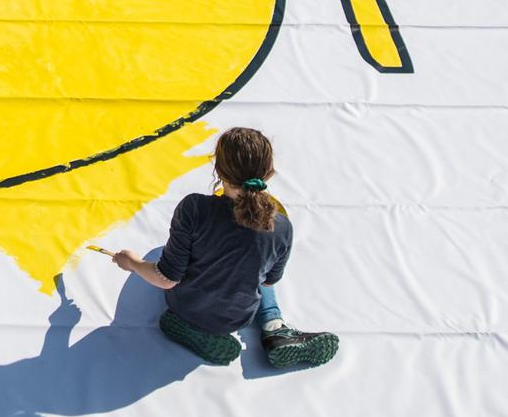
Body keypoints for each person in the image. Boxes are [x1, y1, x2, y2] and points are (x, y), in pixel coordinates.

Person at [107, 126, 339, 370]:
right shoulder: (282, 228)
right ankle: (274, 328)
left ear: (218, 169)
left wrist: (131, 262)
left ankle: (186, 326)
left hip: (186, 305)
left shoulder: (194, 209)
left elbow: (166, 279)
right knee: (255, 269)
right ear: (269, 173)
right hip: (237, 317)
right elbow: (268, 281)